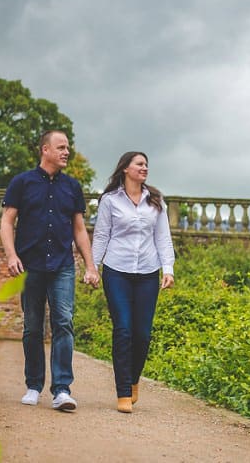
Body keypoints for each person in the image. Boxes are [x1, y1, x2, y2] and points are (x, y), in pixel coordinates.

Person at [0, 130, 100, 411]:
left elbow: (79, 230)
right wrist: (11, 255)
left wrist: (90, 265)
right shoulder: (22, 183)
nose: (66, 152)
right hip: (29, 265)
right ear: (45, 150)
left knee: (64, 323)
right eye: (61, 147)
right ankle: (33, 385)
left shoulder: (72, 187)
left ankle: (62, 390)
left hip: (62, 265)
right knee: (32, 327)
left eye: (68, 147)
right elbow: (7, 222)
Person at [92, 151, 175, 413]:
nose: (145, 168)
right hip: (117, 270)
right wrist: (93, 266)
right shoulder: (110, 200)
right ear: (125, 168)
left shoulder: (156, 201)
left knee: (143, 334)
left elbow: (163, 237)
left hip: (148, 272)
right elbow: (102, 234)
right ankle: (123, 392)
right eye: (139, 164)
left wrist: (168, 268)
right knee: (124, 329)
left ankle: (134, 379)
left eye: (147, 164)